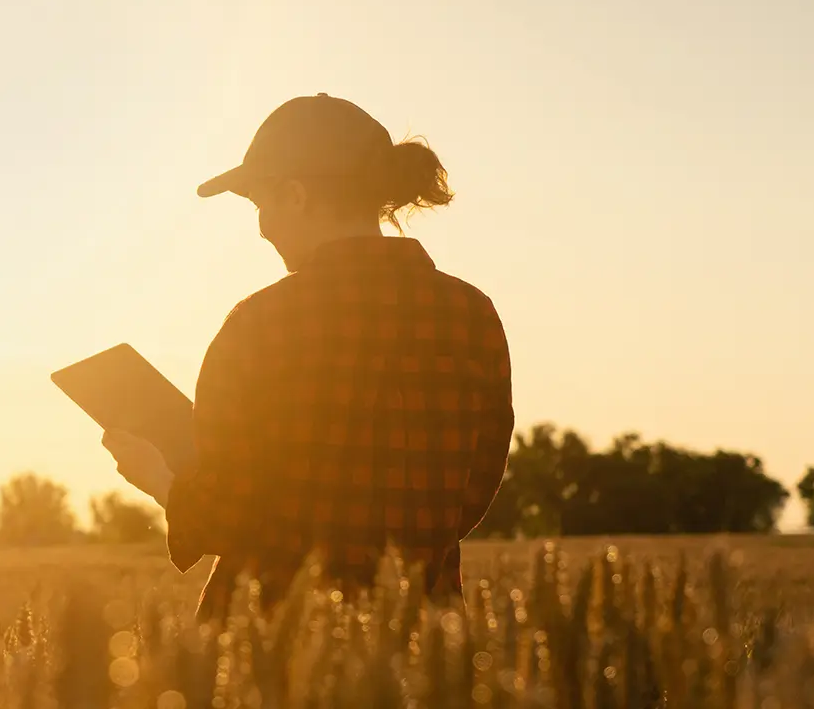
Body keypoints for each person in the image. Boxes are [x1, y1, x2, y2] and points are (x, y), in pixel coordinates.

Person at [102, 94, 514, 621]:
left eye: (261, 205)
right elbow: (471, 495)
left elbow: (225, 514)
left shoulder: (261, 325)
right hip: (422, 642)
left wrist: (159, 479)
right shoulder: (473, 316)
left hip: (273, 643)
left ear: (296, 195)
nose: (261, 227)